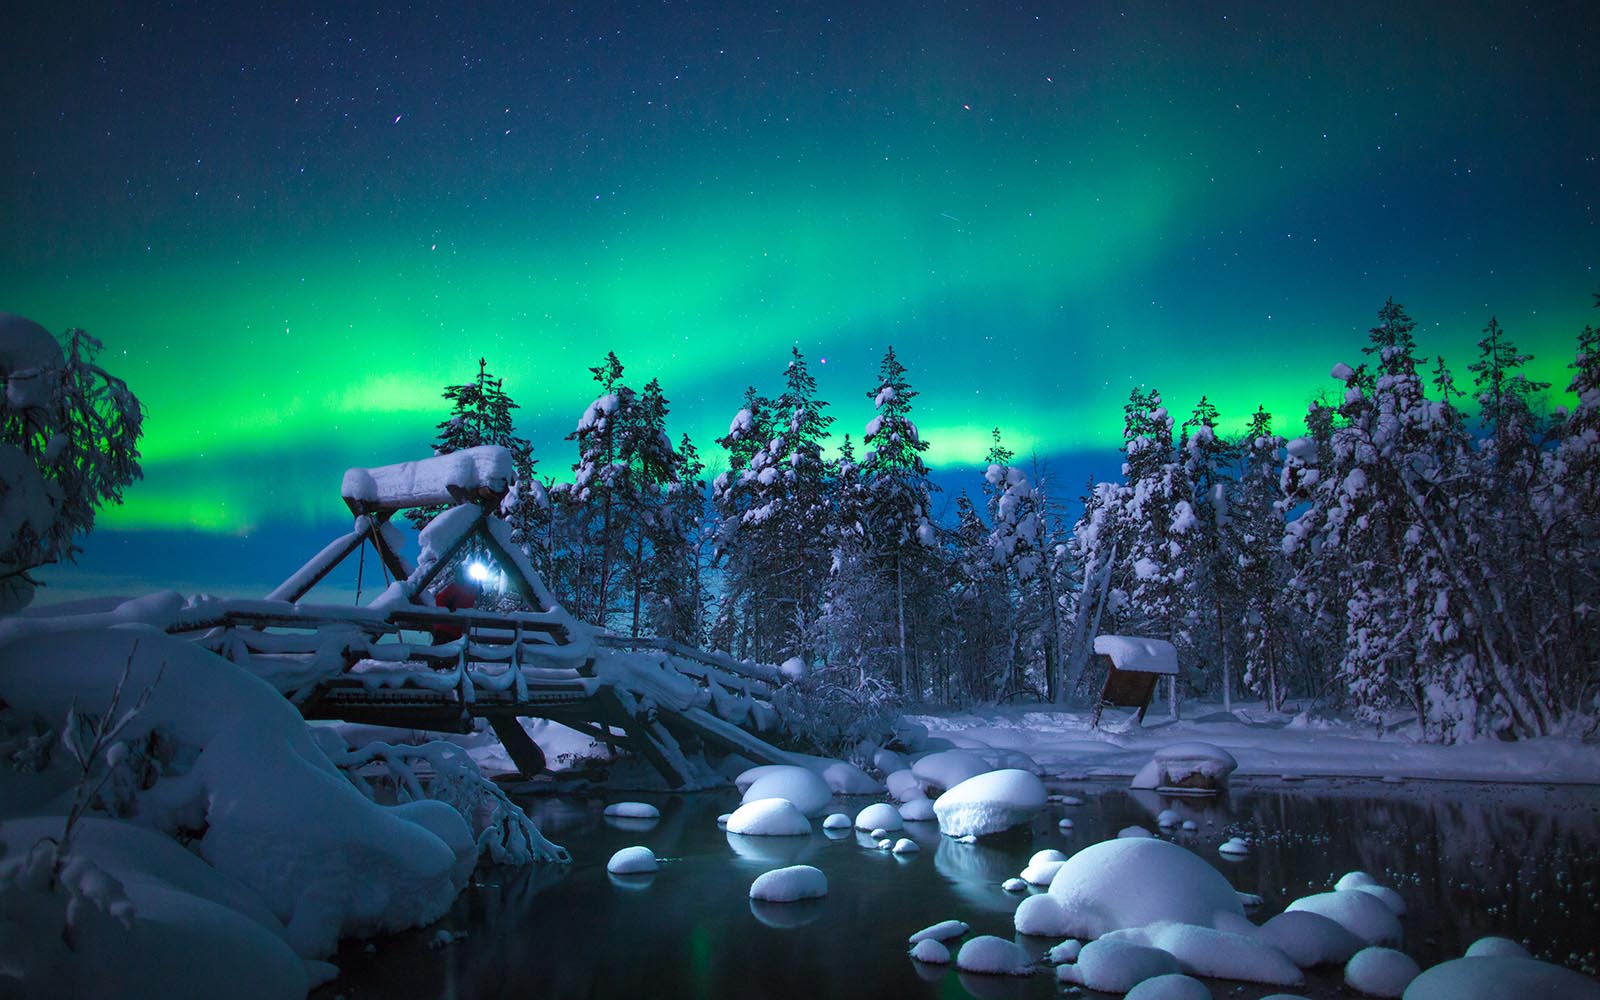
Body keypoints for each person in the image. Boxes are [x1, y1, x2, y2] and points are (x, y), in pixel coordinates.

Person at [430, 564, 477, 645]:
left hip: (457, 629)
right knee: (439, 651)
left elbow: (468, 607)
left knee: (454, 653)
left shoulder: (472, 591)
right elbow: (440, 599)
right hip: (445, 627)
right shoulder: (455, 587)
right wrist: (448, 607)